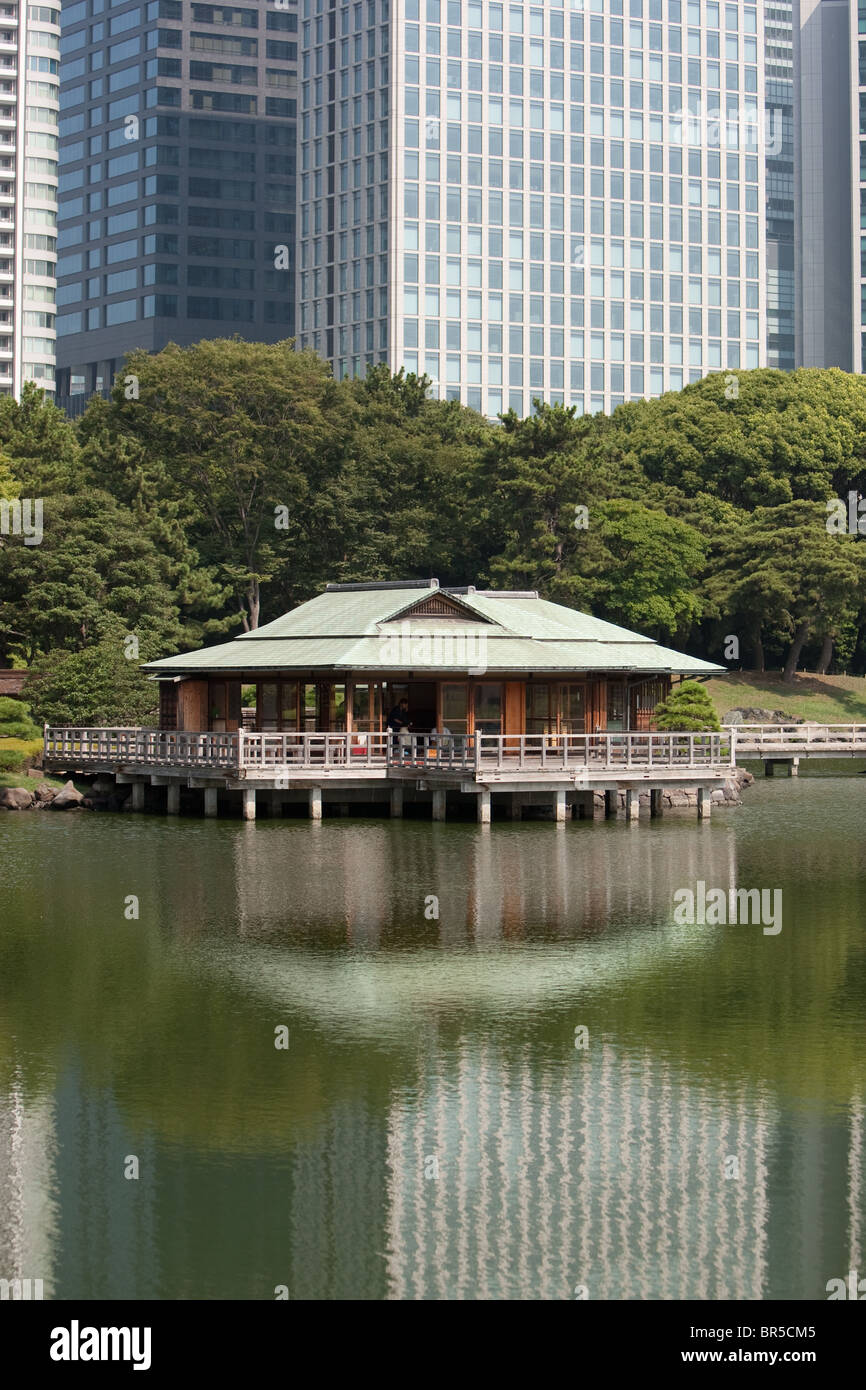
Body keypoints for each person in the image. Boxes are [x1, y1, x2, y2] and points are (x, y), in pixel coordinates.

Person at [387, 697, 412, 762]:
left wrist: (406, 723)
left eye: (406, 705)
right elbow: (395, 719)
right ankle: (393, 750)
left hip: (399, 727)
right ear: (401, 704)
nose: (405, 706)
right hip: (393, 726)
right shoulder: (396, 709)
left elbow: (404, 718)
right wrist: (403, 723)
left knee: (400, 738)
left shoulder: (403, 710)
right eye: (405, 704)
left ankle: (400, 749)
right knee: (394, 738)